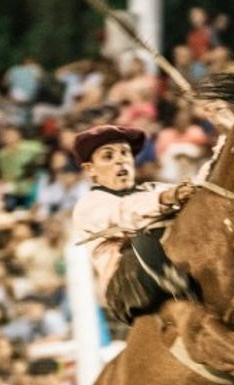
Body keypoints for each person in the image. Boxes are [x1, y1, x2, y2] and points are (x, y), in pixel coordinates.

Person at [70, 124, 196, 323]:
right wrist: (167, 198)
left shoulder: (153, 188)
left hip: (170, 263)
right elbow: (126, 212)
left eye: (125, 153)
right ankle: (180, 288)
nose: (120, 160)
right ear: (90, 169)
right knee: (142, 237)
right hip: (126, 285)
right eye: (108, 156)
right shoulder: (89, 204)